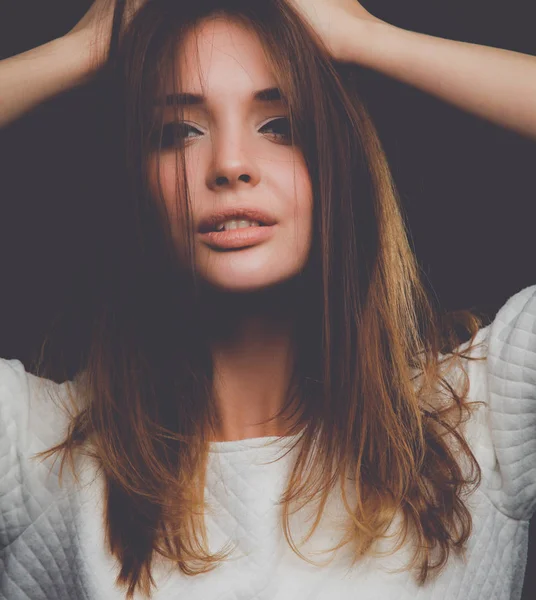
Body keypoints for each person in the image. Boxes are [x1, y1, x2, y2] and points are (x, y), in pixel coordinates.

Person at [0, 1, 535, 599]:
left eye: (279, 125)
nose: (230, 164)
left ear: (340, 162)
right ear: (134, 184)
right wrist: (81, 52)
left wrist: (369, 39)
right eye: (178, 132)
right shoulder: (41, 456)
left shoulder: (479, 420)